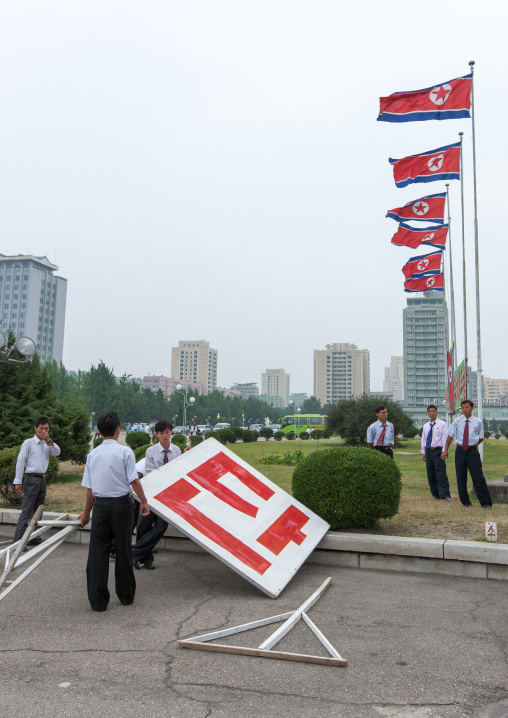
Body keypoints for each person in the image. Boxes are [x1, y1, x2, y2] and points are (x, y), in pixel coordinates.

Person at [78, 411, 150, 612]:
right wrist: (143, 501)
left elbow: (90, 489)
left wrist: (86, 513)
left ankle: (98, 601)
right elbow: (133, 480)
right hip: (121, 506)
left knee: (98, 552)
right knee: (123, 550)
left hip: (100, 507)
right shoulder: (125, 452)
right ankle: (126, 595)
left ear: (99, 432)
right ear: (118, 431)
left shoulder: (92, 455)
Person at [131, 420, 182, 571]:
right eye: (161, 433)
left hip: (168, 495)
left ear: (171, 432)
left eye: (167, 432)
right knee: (143, 525)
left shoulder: (177, 451)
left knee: (160, 527)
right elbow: (148, 473)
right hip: (150, 494)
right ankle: (146, 559)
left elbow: (179, 471)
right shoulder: (151, 451)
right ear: (157, 435)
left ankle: (133, 554)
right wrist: (163, 472)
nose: (165, 436)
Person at [12, 416, 61, 545]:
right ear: (35, 429)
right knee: (27, 510)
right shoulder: (28, 443)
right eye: (41, 429)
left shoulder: (47, 444)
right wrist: (18, 481)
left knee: (38, 510)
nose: (43, 431)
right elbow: (20, 461)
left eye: (46, 429)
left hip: (42, 479)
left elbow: (57, 452)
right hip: (31, 478)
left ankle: (33, 536)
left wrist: (48, 440)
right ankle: (18, 541)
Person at [441, 399, 492, 508]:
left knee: (478, 477)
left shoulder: (478, 422)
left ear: (472, 408)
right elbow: (450, 436)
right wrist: (445, 450)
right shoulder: (457, 421)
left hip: (472, 452)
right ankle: (465, 502)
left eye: (467, 407)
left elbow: (481, 438)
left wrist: (471, 445)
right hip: (460, 451)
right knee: (461, 477)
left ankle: (485, 502)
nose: (465, 410)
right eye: (463, 408)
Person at [420, 405, 451, 501]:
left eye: (433, 411)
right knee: (431, 473)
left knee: (440, 473)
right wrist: (424, 452)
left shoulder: (442, 424)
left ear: (436, 412)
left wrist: (444, 451)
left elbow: (445, 438)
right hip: (429, 451)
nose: (432, 413)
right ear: (427, 413)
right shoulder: (425, 426)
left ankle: (445, 494)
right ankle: (435, 494)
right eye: (429, 411)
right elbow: (424, 439)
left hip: (438, 451)